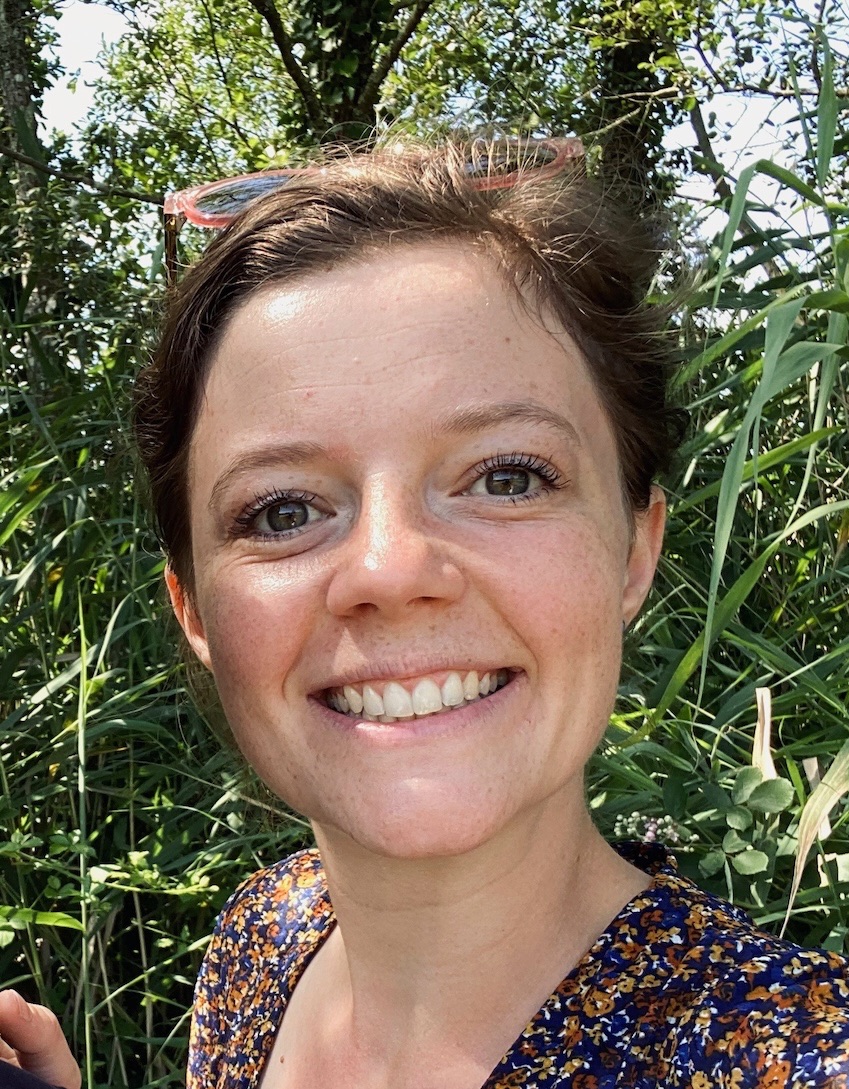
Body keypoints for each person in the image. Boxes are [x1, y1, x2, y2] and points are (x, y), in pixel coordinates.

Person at [2, 137, 848, 1089]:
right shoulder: (263, 941)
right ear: (193, 607)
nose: (391, 569)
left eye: (505, 477)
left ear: (632, 548)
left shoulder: (794, 1056)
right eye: (282, 511)